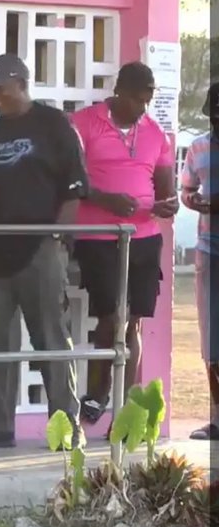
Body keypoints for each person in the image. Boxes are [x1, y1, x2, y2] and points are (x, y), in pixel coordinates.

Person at [0, 54, 88, 449]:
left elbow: (74, 187)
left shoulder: (53, 124)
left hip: (40, 247)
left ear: (21, 83)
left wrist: (59, 239)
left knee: (50, 338)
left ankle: (65, 426)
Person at [69, 62, 178, 436]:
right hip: (99, 237)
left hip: (144, 237)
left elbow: (165, 187)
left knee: (133, 321)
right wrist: (105, 199)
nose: (142, 108)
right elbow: (71, 178)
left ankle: (124, 409)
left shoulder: (155, 133)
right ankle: (100, 391)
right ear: (119, 92)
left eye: (147, 100)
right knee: (112, 316)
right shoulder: (84, 123)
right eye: (136, 99)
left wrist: (167, 204)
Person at [180, 82, 219, 441]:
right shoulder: (198, 147)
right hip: (209, 251)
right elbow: (187, 189)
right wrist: (195, 201)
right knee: (210, 338)